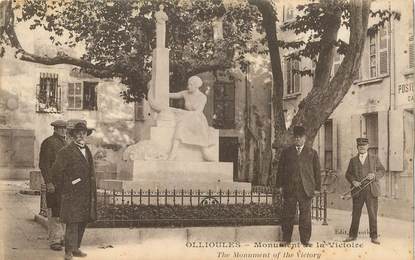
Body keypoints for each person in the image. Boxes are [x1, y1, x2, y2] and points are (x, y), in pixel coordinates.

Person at [51, 119, 97, 260]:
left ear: (86, 135)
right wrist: (70, 184)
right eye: (78, 133)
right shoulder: (66, 151)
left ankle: (76, 248)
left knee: (83, 220)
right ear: (72, 135)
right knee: (72, 222)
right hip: (72, 194)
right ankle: (68, 252)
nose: (81, 135)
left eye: (83, 133)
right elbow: (56, 172)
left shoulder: (87, 150)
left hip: (86, 193)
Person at [276, 125, 321, 246]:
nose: (298, 140)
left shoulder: (312, 153)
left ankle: (305, 240)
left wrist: (317, 189)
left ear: (305, 138)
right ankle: (286, 239)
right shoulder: (286, 152)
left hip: (305, 189)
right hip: (290, 189)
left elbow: (317, 172)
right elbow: (280, 170)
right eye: (296, 138)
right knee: (288, 214)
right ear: (293, 138)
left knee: (305, 216)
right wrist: (279, 186)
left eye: (300, 138)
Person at [343, 138, 385, 245]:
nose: (361, 147)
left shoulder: (374, 158)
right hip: (358, 191)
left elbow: (382, 170)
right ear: (357, 147)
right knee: (356, 214)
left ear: (367, 146)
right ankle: (352, 235)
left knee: (372, 214)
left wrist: (374, 175)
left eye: (364, 145)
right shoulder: (353, 160)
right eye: (359, 146)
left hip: (371, 191)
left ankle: (374, 236)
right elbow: (348, 174)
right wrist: (353, 181)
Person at [167, 75, 214, 160]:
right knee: (180, 125)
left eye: (191, 85)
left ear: (196, 86)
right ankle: (173, 152)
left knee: (187, 124)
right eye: (188, 84)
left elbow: (198, 112)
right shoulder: (185, 93)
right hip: (186, 117)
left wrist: (181, 112)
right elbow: (174, 95)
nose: (188, 86)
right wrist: (162, 93)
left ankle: (205, 152)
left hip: (197, 119)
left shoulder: (202, 97)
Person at [39, 119, 67, 251]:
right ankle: (54, 240)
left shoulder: (66, 143)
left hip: (65, 184)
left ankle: (61, 238)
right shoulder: (49, 143)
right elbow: (44, 164)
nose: (63, 130)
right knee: (54, 211)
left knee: (63, 211)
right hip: (54, 184)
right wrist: (49, 182)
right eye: (60, 128)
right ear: (54, 129)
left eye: (64, 128)